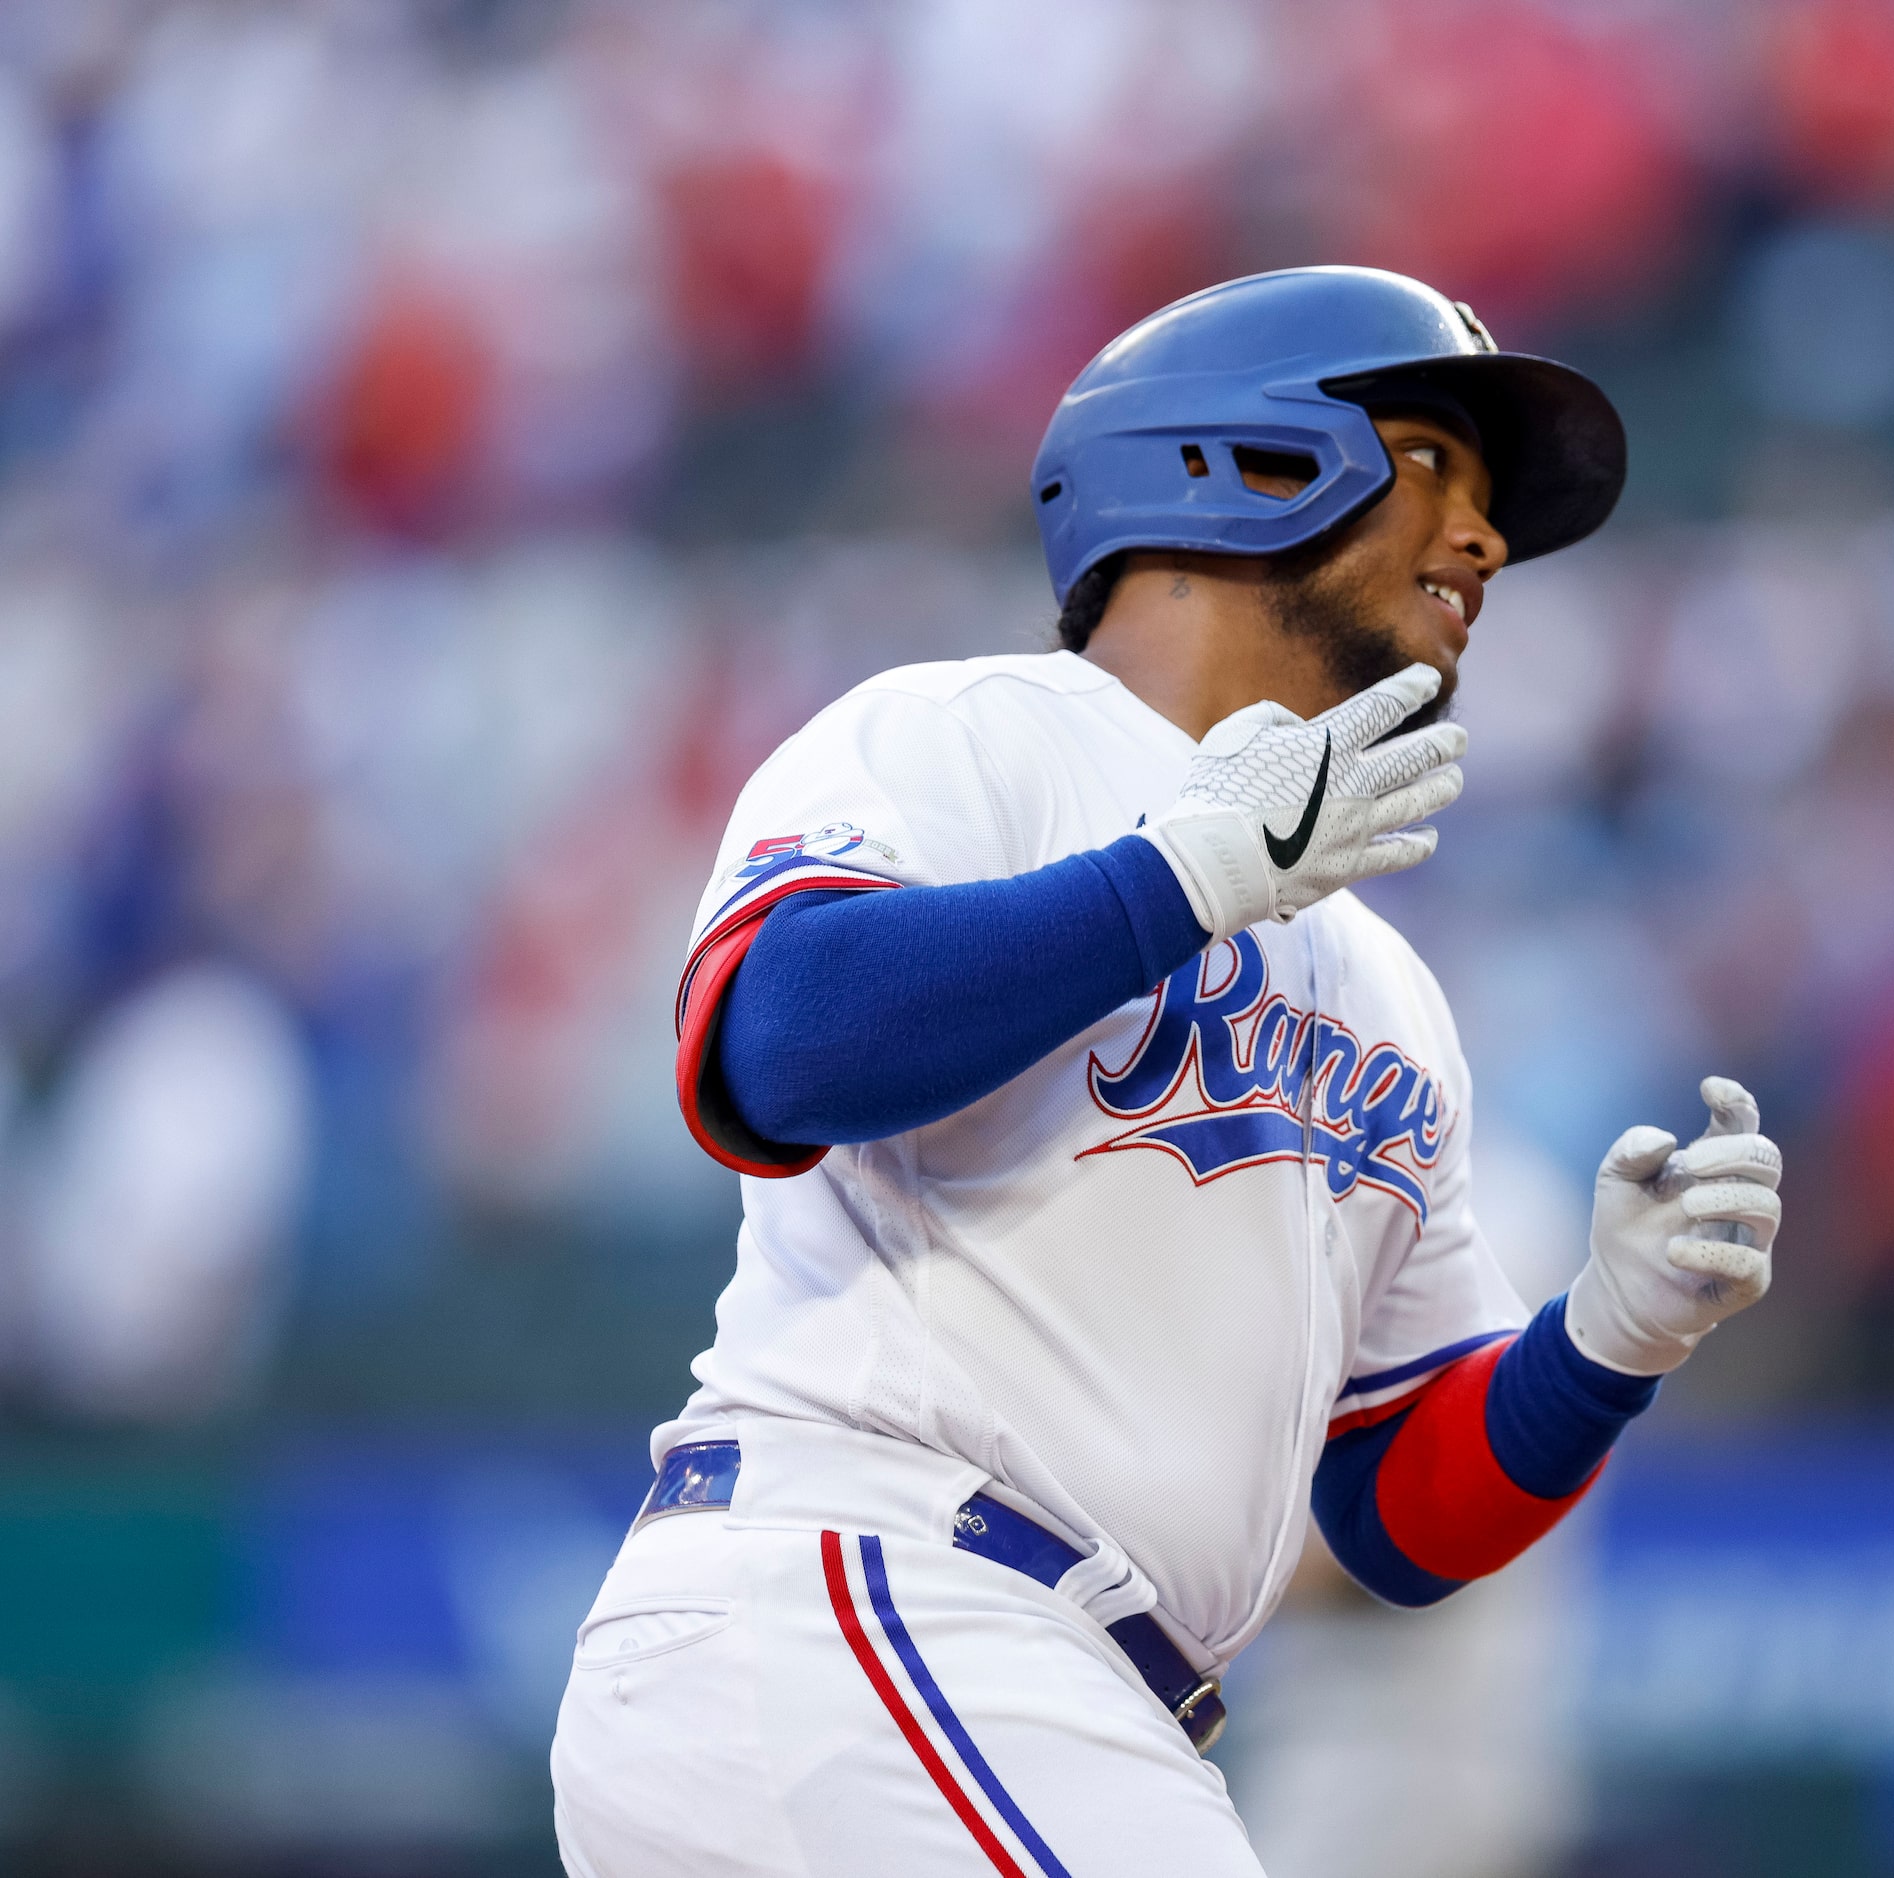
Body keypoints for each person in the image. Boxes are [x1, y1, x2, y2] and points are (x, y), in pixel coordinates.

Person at [548, 266, 1785, 1878]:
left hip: (1055, 1692)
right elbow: (780, 1044)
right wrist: (1173, 881)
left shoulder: (1385, 982)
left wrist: (1608, 1342)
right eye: (1433, 469)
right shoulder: (974, 733)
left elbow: (1396, 1514)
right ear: (1238, 463)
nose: (1483, 544)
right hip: (874, 1598)